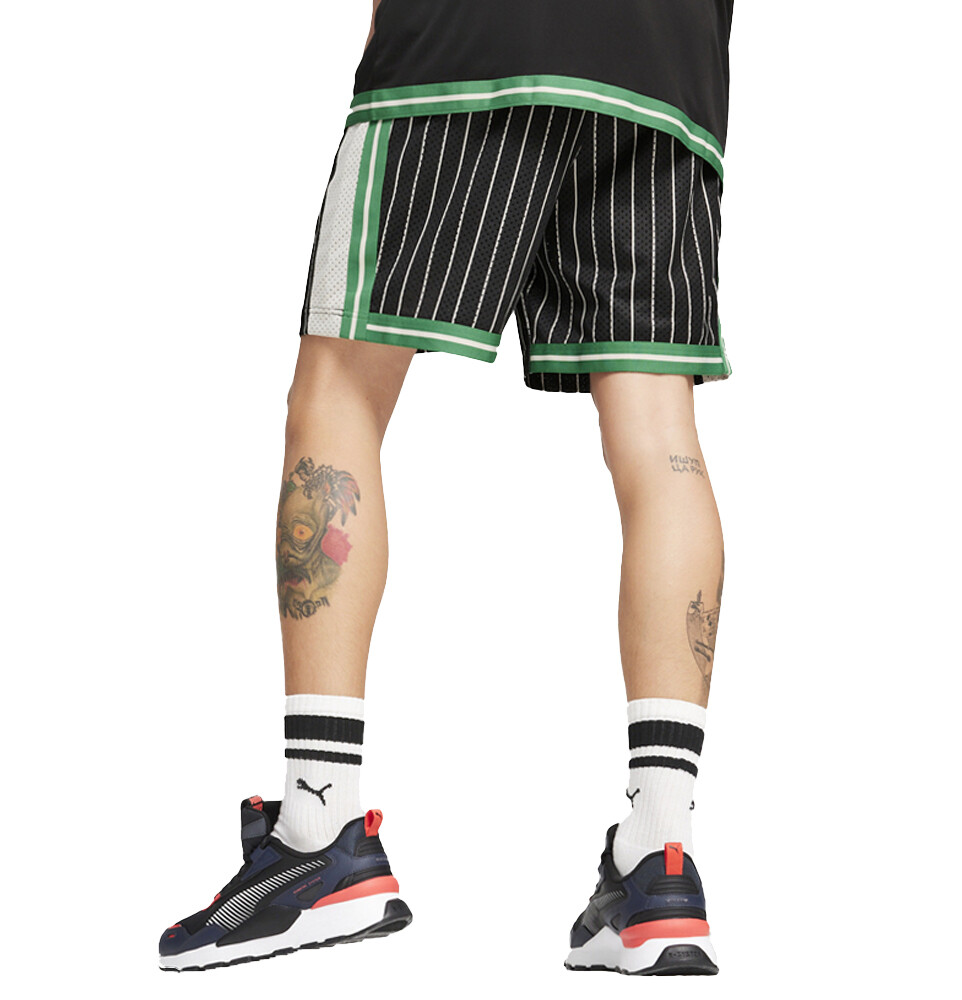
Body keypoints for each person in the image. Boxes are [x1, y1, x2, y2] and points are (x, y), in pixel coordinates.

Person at [159, 0, 734, 976]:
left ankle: (318, 827)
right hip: (669, 66)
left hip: (469, 38)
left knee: (339, 392)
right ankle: (660, 859)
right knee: (660, 436)